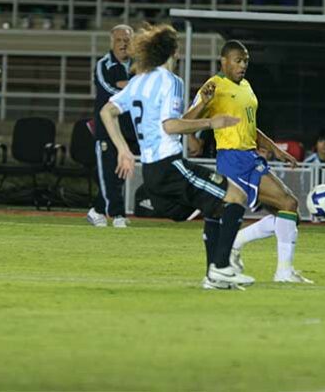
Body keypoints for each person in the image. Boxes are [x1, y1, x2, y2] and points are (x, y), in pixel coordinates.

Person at [99, 24, 253, 290]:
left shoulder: (139, 80)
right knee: (237, 196)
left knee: (214, 206)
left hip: (152, 172)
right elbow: (169, 126)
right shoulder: (170, 81)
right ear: (174, 51)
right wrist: (210, 123)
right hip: (169, 166)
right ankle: (222, 267)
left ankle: (212, 276)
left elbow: (106, 111)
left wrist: (123, 150)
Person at [184, 40, 311, 284]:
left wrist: (274, 148)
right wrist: (203, 108)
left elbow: (250, 125)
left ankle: (241, 247)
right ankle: (281, 271)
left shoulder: (246, 86)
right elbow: (186, 120)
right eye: (238, 61)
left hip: (250, 156)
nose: (243, 65)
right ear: (224, 61)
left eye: (246, 61)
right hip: (232, 158)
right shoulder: (214, 86)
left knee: (289, 212)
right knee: (288, 203)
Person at [87, 25, 137, 228]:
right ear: (112, 42)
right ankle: (117, 214)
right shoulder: (103, 64)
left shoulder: (137, 65)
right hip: (107, 128)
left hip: (129, 129)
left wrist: (124, 85)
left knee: (119, 174)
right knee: (109, 171)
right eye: (119, 40)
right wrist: (129, 87)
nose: (123, 44)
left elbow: (140, 87)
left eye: (127, 40)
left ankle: (97, 210)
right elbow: (107, 89)